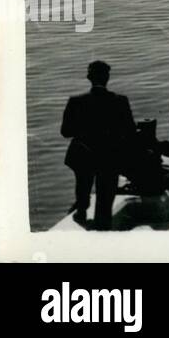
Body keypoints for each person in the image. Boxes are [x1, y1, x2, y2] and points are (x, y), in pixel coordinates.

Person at [61, 60, 136, 230]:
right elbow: (130, 131)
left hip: (84, 154)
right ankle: (102, 225)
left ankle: (81, 210)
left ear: (89, 77)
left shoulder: (76, 102)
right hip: (110, 155)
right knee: (105, 194)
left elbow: (66, 132)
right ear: (107, 78)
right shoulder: (120, 101)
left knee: (83, 184)